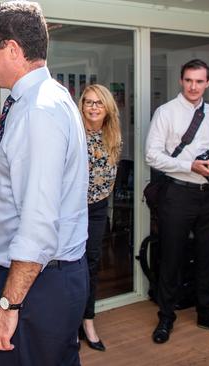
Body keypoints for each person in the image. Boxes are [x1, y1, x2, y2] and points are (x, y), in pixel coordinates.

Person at [0, 2, 89, 365]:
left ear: (12, 49)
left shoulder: (38, 109)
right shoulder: (43, 100)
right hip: (45, 277)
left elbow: (38, 223)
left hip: (39, 284)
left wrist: (9, 305)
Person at [145, 59, 209, 344]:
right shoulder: (166, 112)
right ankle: (166, 317)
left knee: (207, 256)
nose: (193, 86)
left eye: (199, 81)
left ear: (207, 83)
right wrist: (190, 166)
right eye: (189, 80)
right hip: (177, 193)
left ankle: (207, 313)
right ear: (181, 80)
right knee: (171, 256)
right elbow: (152, 155)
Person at [77, 84, 122, 352]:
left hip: (97, 209)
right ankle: (70, 326)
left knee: (91, 265)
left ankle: (88, 321)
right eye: (89, 102)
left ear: (107, 108)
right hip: (71, 210)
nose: (93, 107)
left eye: (99, 103)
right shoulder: (73, 133)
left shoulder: (112, 135)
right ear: (81, 105)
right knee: (70, 266)